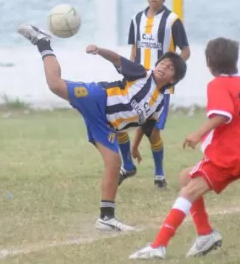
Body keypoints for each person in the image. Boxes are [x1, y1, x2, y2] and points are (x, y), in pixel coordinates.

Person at [17, 24, 187, 231]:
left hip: (105, 125)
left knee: (114, 163)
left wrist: (134, 148)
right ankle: (43, 42)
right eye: (163, 62)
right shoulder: (143, 74)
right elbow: (118, 60)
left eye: (170, 67)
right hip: (98, 98)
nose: (163, 66)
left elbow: (146, 128)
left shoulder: (159, 104)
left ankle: (106, 218)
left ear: (174, 79)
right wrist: (99, 51)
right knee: (55, 84)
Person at [129, 37, 240, 260]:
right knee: (186, 177)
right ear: (235, 61)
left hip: (229, 155)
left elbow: (223, 114)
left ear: (208, 63)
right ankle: (205, 233)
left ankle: (158, 246)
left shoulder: (217, 84)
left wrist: (198, 133)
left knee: (188, 192)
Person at [119, 0, 190, 190]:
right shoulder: (136, 19)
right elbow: (134, 50)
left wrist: (171, 72)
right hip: (138, 82)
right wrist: (127, 73)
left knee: (153, 131)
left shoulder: (172, 21)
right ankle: (128, 164)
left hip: (160, 88)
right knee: (119, 123)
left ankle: (159, 175)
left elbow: (185, 51)